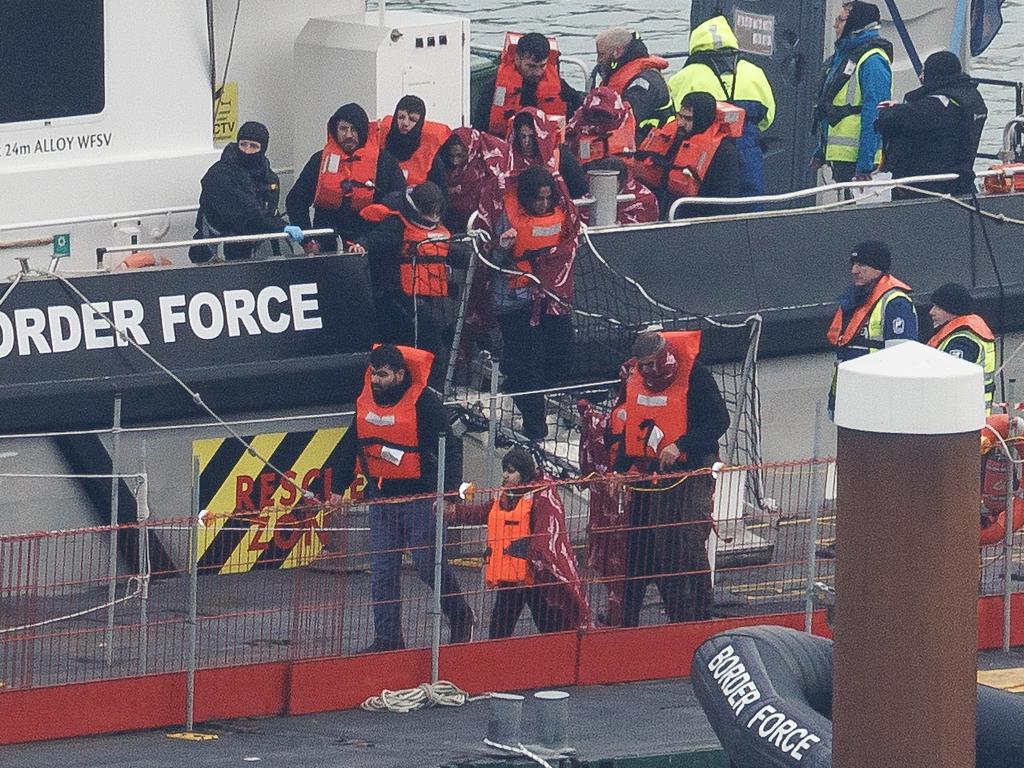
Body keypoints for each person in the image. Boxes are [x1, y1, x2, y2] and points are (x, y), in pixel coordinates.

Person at [332, 344, 475, 653]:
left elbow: (450, 445)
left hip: (420, 497)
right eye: (373, 374)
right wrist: (336, 488)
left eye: (382, 375)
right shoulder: (366, 403)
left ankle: (460, 613)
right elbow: (350, 444)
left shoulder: (424, 403)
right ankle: (388, 639)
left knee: (427, 565)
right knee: (383, 571)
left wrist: (449, 494)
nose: (376, 381)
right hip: (382, 499)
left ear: (399, 374)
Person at [612, 330, 730, 626]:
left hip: (695, 465)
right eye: (644, 366)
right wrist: (618, 469)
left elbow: (720, 420)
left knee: (690, 539)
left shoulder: (696, 375)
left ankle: (703, 615)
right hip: (658, 470)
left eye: (653, 364)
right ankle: (679, 619)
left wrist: (682, 444)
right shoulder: (634, 381)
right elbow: (633, 430)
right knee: (665, 547)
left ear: (665, 356)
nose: (650, 371)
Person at [448, 447, 589, 637]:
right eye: (504, 469)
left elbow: (546, 536)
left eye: (511, 471)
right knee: (499, 629)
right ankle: (496, 662)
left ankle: (559, 657)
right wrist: (453, 512)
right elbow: (484, 512)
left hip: (536, 576)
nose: (505, 475)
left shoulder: (543, 496)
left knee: (549, 626)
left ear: (524, 473)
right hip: (512, 575)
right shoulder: (507, 495)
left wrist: (522, 551)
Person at [487, 165, 580, 440]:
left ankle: (514, 381)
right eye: (537, 199)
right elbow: (490, 262)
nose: (543, 204)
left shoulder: (563, 216)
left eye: (547, 199)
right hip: (515, 302)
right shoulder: (507, 218)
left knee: (562, 355)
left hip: (550, 299)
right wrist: (502, 247)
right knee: (530, 365)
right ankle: (535, 428)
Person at [667, 15, 776, 198]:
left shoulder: (684, 77)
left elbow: (675, 123)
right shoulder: (755, 73)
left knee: (708, 208)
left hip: (706, 156)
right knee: (751, 207)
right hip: (747, 149)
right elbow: (768, 117)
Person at [358, 182, 452, 388]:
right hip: (398, 296)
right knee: (427, 345)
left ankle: (432, 388)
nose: (434, 218)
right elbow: (375, 240)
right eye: (430, 212)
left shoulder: (439, 229)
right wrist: (361, 245)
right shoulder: (396, 224)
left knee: (435, 343)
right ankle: (427, 389)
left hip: (428, 298)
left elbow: (453, 252)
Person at [286, 103, 406, 253]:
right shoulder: (319, 161)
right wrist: (307, 239)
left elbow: (398, 203)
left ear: (363, 131)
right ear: (334, 131)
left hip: (370, 247)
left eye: (354, 129)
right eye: (343, 129)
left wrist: (372, 241)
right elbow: (295, 200)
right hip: (327, 247)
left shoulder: (385, 163)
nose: (348, 135)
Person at [875, 51, 988, 199]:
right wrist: (901, 106)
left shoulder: (939, 105)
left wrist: (892, 109)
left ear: (935, 73)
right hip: (960, 183)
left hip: (925, 188)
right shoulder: (972, 98)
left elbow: (891, 119)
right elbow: (927, 116)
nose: (921, 77)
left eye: (924, 72)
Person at [826, 240, 918, 417]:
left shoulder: (896, 302)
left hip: (878, 400)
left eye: (861, 265)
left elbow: (902, 358)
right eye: (853, 265)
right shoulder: (852, 300)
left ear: (878, 268)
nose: (854, 271)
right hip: (850, 395)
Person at [191, 121, 302, 262]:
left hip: (251, 244)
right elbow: (244, 212)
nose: (247, 151)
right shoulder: (219, 174)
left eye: (254, 146)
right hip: (214, 246)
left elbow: (268, 210)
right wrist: (280, 226)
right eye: (243, 144)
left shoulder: (269, 178)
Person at [811, 1, 893, 186]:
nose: (835, 25)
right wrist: (821, 150)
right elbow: (830, 107)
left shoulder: (872, 60)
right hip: (842, 159)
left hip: (859, 163)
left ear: (855, 24)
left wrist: (865, 164)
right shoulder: (842, 57)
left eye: (840, 20)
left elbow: (875, 113)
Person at [633, 91, 742, 217]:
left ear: (702, 119)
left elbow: (725, 198)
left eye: (688, 119)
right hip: (666, 210)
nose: (680, 123)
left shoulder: (724, 152)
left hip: (699, 218)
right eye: (680, 116)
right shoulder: (674, 139)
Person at [474, 32, 583, 138]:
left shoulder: (559, 86)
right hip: (505, 147)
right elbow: (479, 129)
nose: (537, 72)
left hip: (546, 148)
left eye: (542, 66)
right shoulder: (493, 89)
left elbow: (579, 106)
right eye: (531, 66)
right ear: (517, 59)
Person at [594, 28, 673, 142]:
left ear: (618, 52)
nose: (598, 60)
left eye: (601, 54)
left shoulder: (645, 82)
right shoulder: (618, 73)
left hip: (647, 146)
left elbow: (626, 116)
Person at [926, 282, 996, 412]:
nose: (932, 312)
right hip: (968, 413)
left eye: (938, 308)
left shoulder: (962, 341)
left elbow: (951, 381)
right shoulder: (960, 334)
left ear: (953, 311)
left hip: (962, 415)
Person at [434, 127, 510, 234]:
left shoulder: (485, 169)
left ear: (470, 150)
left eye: (460, 156)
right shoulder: (442, 167)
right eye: (452, 156)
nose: (455, 162)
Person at [508, 107, 589, 198]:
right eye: (523, 137)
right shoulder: (508, 160)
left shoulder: (564, 159)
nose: (527, 142)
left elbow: (581, 192)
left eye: (532, 137)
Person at [378, 94, 452, 188]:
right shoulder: (379, 148)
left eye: (412, 120)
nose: (405, 123)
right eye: (401, 117)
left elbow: (440, 197)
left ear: (420, 123)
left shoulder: (432, 159)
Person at [564, 86, 637, 167]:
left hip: (623, 165)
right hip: (593, 169)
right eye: (596, 114)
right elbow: (583, 161)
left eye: (604, 114)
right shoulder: (582, 130)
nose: (600, 118)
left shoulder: (626, 120)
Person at [580, 156, 659, 226]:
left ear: (622, 180)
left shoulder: (645, 200)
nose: (603, 185)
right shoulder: (585, 199)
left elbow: (641, 233)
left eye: (607, 180)